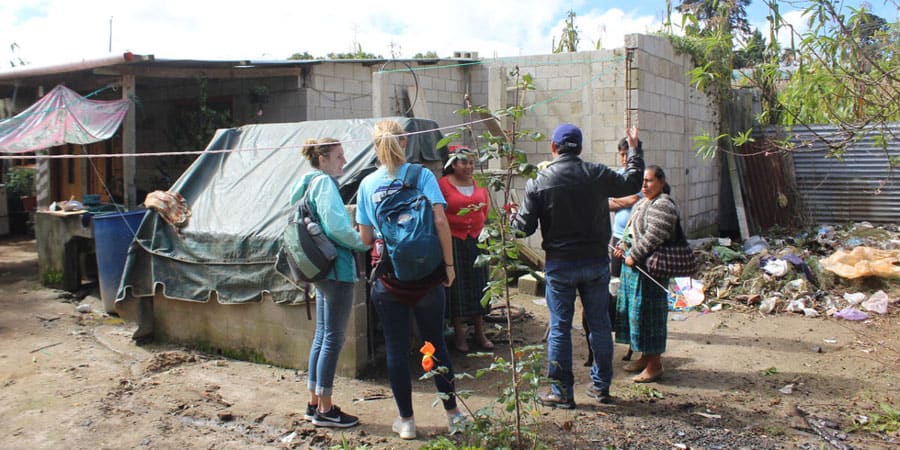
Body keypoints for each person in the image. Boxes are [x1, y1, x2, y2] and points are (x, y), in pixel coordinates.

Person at [512, 124, 644, 408]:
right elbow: (634, 183)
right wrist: (633, 148)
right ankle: (601, 387)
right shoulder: (596, 173)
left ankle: (561, 393)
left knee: (560, 327)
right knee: (599, 324)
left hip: (560, 265)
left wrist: (512, 218)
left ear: (553, 148)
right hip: (596, 262)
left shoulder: (539, 180)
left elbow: (523, 229)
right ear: (580, 148)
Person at [355, 120, 464, 440]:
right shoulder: (422, 175)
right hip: (428, 278)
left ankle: (406, 422)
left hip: (389, 280)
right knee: (437, 346)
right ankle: (453, 415)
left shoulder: (367, 185)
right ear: (405, 141)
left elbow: (364, 240)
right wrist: (449, 266)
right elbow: (441, 221)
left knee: (396, 350)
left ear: (375, 146)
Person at [292, 138, 371, 428]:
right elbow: (336, 226)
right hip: (337, 270)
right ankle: (326, 409)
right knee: (333, 339)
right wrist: (361, 242)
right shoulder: (324, 184)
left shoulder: (305, 184)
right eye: (339, 156)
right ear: (323, 158)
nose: (344, 160)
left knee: (322, 336)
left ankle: (314, 403)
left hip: (320, 272)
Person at [613, 165, 679, 384]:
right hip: (634, 269)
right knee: (635, 315)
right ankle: (644, 357)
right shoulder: (642, 202)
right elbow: (630, 229)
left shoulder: (664, 205)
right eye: (643, 181)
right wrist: (623, 245)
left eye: (649, 181)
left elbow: (653, 236)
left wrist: (635, 255)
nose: (644, 185)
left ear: (661, 182)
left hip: (650, 270)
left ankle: (655, 365)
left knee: (649, 317)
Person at [438, 146, 493, 353]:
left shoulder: (479, 183)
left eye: (471, 162)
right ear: (453, 164)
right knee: (457, 287)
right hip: (454, 241)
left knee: (481, 285)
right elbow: (439, 213)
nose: (469, 166)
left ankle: (480, 331)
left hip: (478, 240)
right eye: (464, 163)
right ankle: (460, 334)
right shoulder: (443, 185)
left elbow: (485, 209)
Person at [609, 138, 643, 278]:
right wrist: (625, 200)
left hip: (636, 238)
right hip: (617, 236)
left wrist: (615, 200)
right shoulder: (616, 176)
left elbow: (635, 199)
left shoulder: (642, 176)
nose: (624, 158)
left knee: (634, 277)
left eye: (627, 154)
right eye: (622, 154)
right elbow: (607, 203)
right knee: (616, 278)